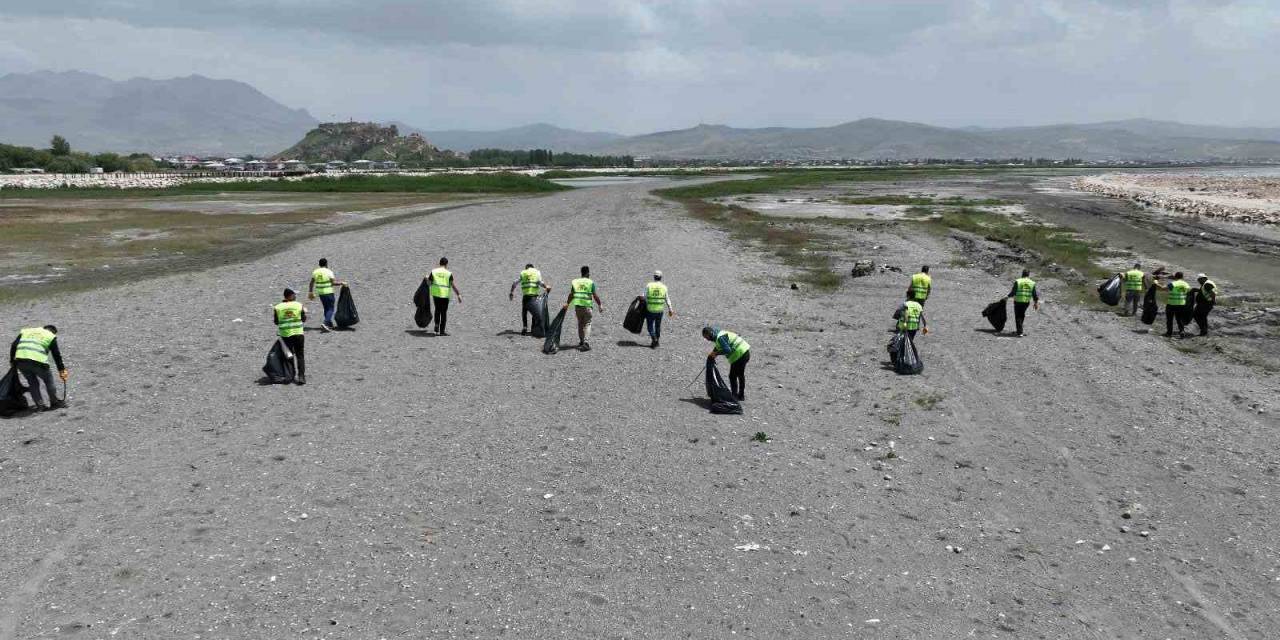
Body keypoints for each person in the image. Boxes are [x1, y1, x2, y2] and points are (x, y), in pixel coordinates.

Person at [9, 325, 68, 410]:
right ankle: (54, 402)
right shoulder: (50, 336)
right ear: (53, 332)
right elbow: (56, 355)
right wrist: (61, 370)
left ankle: (40, 405)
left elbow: (14, 345)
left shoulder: (27, 331)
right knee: (48, 380)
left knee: (32, 382)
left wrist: (12, 360)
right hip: (38, 361)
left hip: (21, 361)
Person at [703, 326, 750, 401]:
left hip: (739, 355)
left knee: (732, 376)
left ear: (709, 334)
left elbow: (727, 349)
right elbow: (719, 345)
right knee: (740, 375)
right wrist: (712, 353)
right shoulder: (719, 333)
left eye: (706, 337)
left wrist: (716, 353)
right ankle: (741, 395)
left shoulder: (719, 338)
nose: (707, 339)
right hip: (745, 351)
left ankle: (734, 396)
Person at [563, 265, 603, 351]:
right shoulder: (590, 282)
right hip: (587, 306)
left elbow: (571, 294)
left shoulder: (575, 282)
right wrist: (600, 304)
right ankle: (586, 342)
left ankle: (581, 341)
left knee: (580, 324)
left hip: (578, 307)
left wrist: (567, 303)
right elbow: (595, 295)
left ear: (581, 273)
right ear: (588, 273)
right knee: (587, 323)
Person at [273, 289, 306, 385]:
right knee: (300, 355)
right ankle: (301, 377)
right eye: (294, 295)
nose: (295, 296)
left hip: (285, 334)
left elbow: (276, 322)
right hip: (298, 333)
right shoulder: (299, 305)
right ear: (290, 296)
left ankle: (290, 376)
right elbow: (303, 319)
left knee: (289, 355)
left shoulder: (278, 307)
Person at [510, 263, 551, 335]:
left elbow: (514, 283)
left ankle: (525, 327)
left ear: (526, 268)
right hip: (534, 296)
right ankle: (533, 328)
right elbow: (540, 282)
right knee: (534, 311)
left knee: (524, 311)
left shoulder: (523, 273)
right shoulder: (536, 272)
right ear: (533, 267)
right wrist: (546, 287)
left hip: (526, 296)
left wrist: (511, 292)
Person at [308, 258, 347, 332]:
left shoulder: (315, 272)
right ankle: (325, 323)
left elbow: (311, 283)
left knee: (326, 308)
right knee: (331, 308)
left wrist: (310, 292)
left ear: (319, 264)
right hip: (328, 292)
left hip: (321, 293)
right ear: (326, 264)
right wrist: (342, 283)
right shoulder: (329, 271)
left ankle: (329, 323)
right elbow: (333, 283)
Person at [425, 257, 462, 336]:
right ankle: (442, 331)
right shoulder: (448, 273)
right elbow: (452, 285)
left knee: (437, 310)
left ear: (439, 263)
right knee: (444, 312)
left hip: (436, 294)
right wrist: (458, 294)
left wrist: (427, 278)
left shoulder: (434, 271)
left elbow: (429, 284)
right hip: (445, 295)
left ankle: (436, 325)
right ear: (446, 264)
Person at [643, 270, 675, 348]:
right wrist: (670, 309)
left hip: (650, 310)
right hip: (660, 310)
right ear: (661, 277)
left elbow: (644, 297)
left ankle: (654, 339)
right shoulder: (664, 287)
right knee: (658, 326)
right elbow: (667, 299)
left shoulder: (649, 285)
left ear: (654, 277)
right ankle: (657, 341)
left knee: (650, 326)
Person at [1007, 269, 1040, 336]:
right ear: (1028, 274)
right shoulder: (1032, 283)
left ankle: (1019, 332)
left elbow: (1013, 292)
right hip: (1026, 302)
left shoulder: (1018, 281)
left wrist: (1007, 297)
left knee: (1018, 316)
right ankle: (1019, 330)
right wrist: (1036, 303)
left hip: (1018, 301)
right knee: (1021, 315)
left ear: (1022, 274)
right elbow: (1034, 294)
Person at [1160, 271, 1191, 338]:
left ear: (1175, 277)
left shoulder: (1173, 283)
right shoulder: (1186, 284)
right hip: (1181, 304)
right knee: (1179, 319)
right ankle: (1182, 331)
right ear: (1182, 277)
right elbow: (1188, 291)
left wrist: (1157, 283)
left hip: (1171, 304)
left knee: (1169, 319)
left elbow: (1163, 288)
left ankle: (1169, 333)